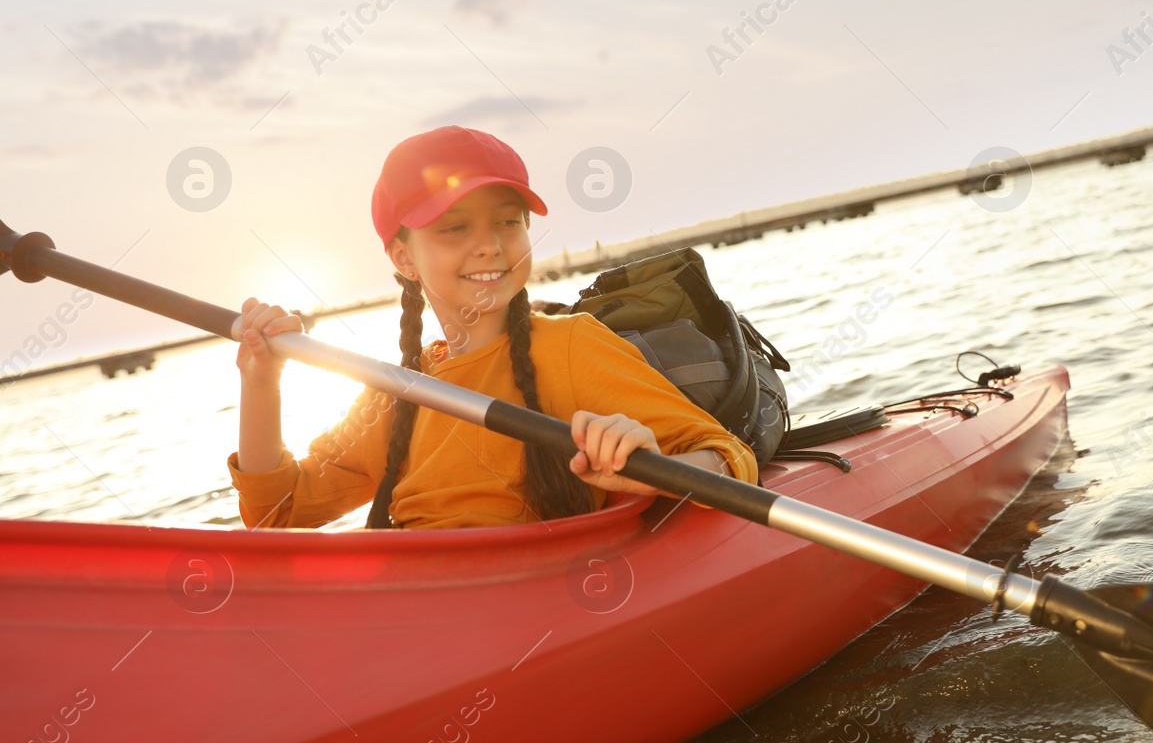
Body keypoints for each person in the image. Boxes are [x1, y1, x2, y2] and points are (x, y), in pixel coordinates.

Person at [229, 126, 758, 530]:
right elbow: (280, 514)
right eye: (454, 227)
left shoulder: (571, 346)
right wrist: (261, 384)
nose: (491, 244)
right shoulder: (391, 394)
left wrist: (650, 464)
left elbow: (731, 458)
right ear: (403, 257)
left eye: (509, 220)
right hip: (417, 616)